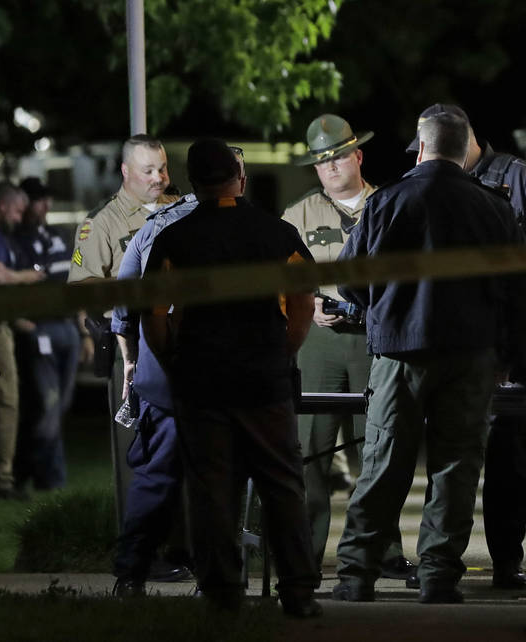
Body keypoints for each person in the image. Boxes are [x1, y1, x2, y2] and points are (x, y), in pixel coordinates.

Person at [332, 111, 526, 604]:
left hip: (400, 354)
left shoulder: (386, 201)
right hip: (471, 358)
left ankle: (356, 575)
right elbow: (522, 291)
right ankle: (438, 577)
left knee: (383, 464)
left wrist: (382, 309)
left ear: (421, 149)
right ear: (464, 150)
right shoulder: (494, 209)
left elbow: (348, 280)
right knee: (455, 467)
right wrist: (509, 353)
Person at [142, 138, 322, 618]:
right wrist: (286, 349)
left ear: (195, 184)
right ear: (239, 179)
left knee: (211, 490)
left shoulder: (172, 241)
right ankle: (299, 592)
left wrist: (171, 360)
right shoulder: (278, 234)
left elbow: (153, 315)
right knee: (283, 485)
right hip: (264, 379)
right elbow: (305, 298)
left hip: (202, 382)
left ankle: (222, 593)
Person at [406, 104, 526, 589]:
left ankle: (506, 561)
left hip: (509, 334)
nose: (425, 159)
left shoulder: (517, 177)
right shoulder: (427, 177)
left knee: (508, 456)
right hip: (447, 334)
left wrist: (513, 284)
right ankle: (435, 562)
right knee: (442, 450)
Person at [282, 114, 414, 578]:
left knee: (379, 449)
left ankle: (386, 550)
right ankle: (306, 555)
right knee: (310, 452)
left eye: (338, 156)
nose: (331, 167)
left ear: (357, 155)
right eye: (321, 162)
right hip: (317, 343)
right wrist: (307, 304)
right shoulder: (297, 216)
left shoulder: (393, 205)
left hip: (376, 341)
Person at [108, 139, 239, 595]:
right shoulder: (257, 228)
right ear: (235, 178)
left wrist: (132, 361)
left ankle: (130, 573)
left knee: (155, 478)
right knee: (219, 479)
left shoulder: (155, 232)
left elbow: (126, 305)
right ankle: (217, 579)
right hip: (228, 378)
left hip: (166, 379)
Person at [67, 134, 190, 582]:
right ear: (125, 172)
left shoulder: (183, 207)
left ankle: (182, 546)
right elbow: (82, 284)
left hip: (180, 347)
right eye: (148, 170)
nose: (159, 178)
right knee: (138, 458)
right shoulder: (102, 222)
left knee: (183, 451)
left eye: (162, 168)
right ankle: (140, 555)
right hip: (132, 351)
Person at [11, 177, 84, 492]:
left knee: (58, 404)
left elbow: (73, 279)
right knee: (47, 404)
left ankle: (20, 470)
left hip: (67, 327)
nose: (45, 206)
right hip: (39, 329)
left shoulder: (56, 235)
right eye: (38, 200)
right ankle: (50, 479)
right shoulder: (15, 241)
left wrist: (84, 327)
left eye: (45, 199)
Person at [0, 182, 46, 499]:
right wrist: (29, 277)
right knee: (4, 402)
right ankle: (0, 480)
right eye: (17, 210)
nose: (19, 218)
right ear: (3, 206)